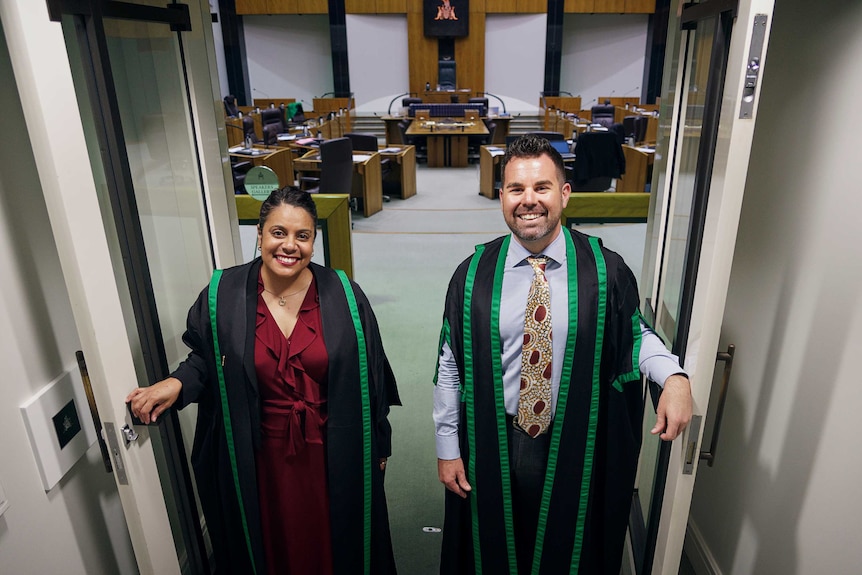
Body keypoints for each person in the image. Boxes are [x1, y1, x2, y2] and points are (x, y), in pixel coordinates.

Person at [433, 135, 691, 574]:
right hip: (495, 436)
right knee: (496, 545)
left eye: (542, 188)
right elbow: (450, 364)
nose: (528, 201)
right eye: (516, 189)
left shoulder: (603, 268)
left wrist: (674, 377)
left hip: (575, 437)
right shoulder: (473, 274)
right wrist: (446, 447)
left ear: (564, 194)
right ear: (501, 197)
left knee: (566, 548)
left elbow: (634, 334)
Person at [127, 187, 400, 575]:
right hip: (257, 456)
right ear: (259, 234)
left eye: (302, 236)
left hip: (331, 452)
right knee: (268, 546)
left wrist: (380, 445)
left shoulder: (345, 295)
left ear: (313, 241)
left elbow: (371, 376)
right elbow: (207, 359)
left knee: (335, 545)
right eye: (278, 233)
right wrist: (176, 384)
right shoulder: (224, 293)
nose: (289, 246)